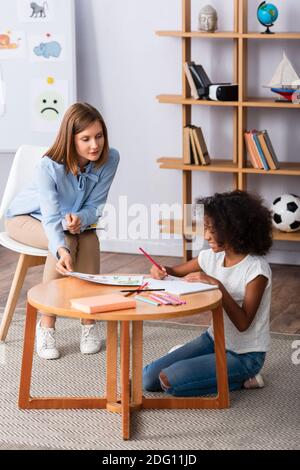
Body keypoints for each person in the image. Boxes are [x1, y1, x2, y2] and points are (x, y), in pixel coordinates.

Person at [5, 102, 120, 360]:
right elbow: (49, 215)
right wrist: (60, 248)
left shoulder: (110, 159)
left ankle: (88, 321)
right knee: (67, 239)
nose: (95, 145)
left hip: (68, 222)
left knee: (89, 238)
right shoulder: (49, 166)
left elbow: (95, 206)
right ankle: (46, 326)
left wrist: (80, 218)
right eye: (86, 139)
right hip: (24, 219)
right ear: (71, 139)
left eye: (99, 136)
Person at [143, 190, 273, 396]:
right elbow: (174, 271)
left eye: (212, 229)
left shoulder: (256, 270)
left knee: (169, 382)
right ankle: (207, 369)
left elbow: (243, 323)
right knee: (148, 378)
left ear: (234, 230)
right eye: (205, 228)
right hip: (213, 339)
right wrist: (161, 270)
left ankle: (243, 379)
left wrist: (218, 286)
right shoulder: (209, 257)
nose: (206, 236)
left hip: (245, 355)